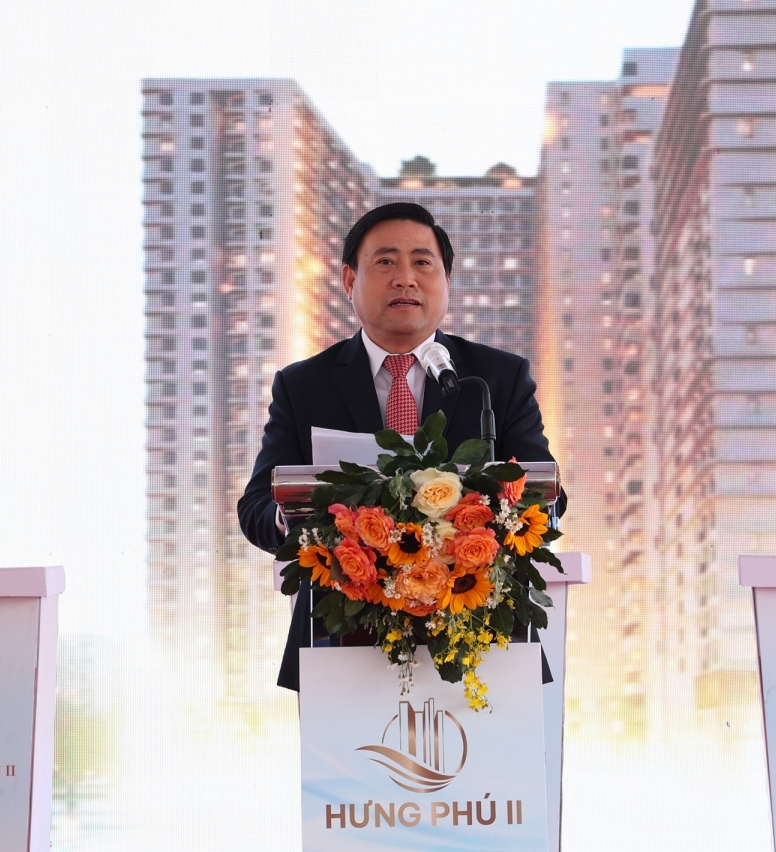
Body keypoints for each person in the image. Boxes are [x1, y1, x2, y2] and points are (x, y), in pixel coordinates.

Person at [237, 201, 563, 690]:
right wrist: (297, 519)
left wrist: (490, 515)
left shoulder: (494, 379)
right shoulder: (304, 386)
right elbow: (257, 508)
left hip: (484, 628)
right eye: (386, 261)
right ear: (350, 280)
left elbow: (548, 495)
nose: (405, 278)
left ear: (446, 280)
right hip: (340, 633)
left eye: (422, 262)